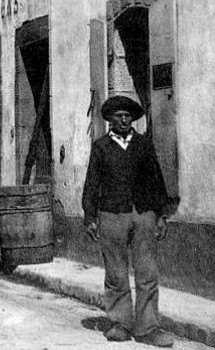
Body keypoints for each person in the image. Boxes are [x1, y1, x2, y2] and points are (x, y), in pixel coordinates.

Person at [82, 96, 174, 347]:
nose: (124, 120)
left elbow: (156, 179)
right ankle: (120, 323)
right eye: (118, 116)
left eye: (127, 116)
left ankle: (148, 328)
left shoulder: (144, 145)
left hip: (143, 214)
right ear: (110, 119)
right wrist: (90, 216)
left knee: (147, 272)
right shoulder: (101, 147)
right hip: (112, 214)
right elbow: (92, 183)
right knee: (116, 272)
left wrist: (161, 214)